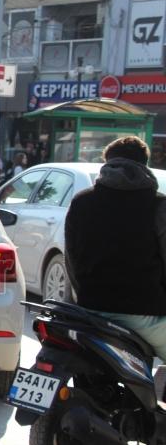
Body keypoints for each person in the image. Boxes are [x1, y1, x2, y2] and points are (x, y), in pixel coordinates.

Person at [65, 136, 166, 367]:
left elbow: (70, 259)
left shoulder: (81, 201)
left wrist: (86, 297)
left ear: (107, 163)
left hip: (89, 311)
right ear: (144, 165)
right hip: (144, 313)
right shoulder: (159, 205)